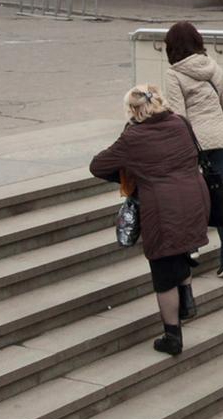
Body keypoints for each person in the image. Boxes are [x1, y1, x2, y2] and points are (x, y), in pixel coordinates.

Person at [89, 86, 210, 356]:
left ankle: (172, 336)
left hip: (161, 206)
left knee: (163, 272)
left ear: (133, 110)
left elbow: (97, 165)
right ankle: (187, 302)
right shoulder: (180, 122)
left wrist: (131, 175)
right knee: (183, 247)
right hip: (194, 198)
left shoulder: (134, 136)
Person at [162, 21, 223, 278]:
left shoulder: (173, 74)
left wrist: (177, 150)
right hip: (218, 141)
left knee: (191, 197)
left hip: (193, 143)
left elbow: (178, 116)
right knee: (217, 196)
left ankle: (193, 248)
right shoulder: (214, 68)